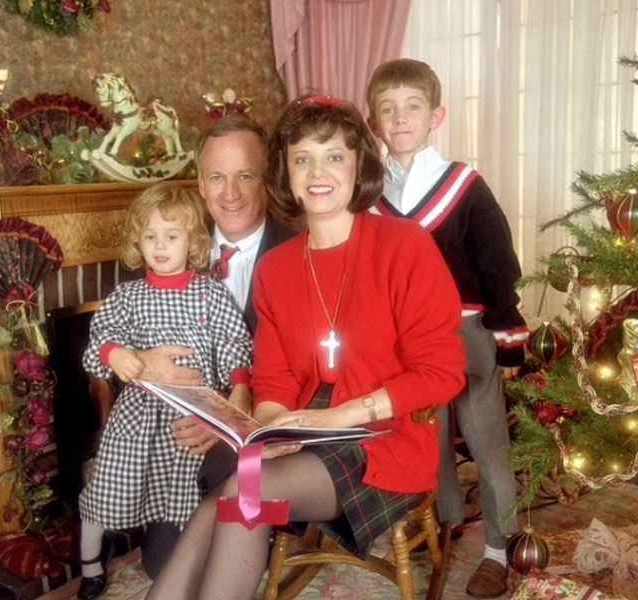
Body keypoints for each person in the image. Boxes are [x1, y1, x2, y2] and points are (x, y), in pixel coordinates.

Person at [145, 95, 465, 600]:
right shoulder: (278, 267)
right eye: (302, 159)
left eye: (334, 156)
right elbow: (274, 380)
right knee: (224, 502)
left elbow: (443, 371)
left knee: (245, 490)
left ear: (358, 165)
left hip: (389, 439)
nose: (318, 172)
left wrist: (336, 418)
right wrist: (272, 427)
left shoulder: (405, 245)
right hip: (307, 431)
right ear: (286, 175)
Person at [366, 58, 528, 598]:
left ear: (436, 116)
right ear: (374, 123)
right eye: (387, 109)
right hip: (405, 342)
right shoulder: (370, 198)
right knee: (424, 443)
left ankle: (499, 549)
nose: (400, 117)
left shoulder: (463, 184)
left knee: (486, 443)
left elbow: (498, 262)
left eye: (412, 106)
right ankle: (444, 524)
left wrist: (505, 329)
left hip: (466, 334)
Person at [77, 184, 253, 600]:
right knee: (107, 488)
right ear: (137, 241)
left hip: (192, 418)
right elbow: (97, 345)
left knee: (187, 494)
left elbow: (235, 345)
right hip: (138, 420)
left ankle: (205, 549)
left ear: (192, 241)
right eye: (150, 236)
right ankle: (90, 567)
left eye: (171, 236)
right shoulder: (128, 295)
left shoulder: (210, 293)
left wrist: (240, 387)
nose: (159, 246)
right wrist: (117, 353)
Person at [139, 115, 294, 578]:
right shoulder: (169, 246)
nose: (231, 193)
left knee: (214, 562)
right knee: (162, 563)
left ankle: (266, 525)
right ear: (200, 186)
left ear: (266, 180)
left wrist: (226, 417)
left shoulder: (299, 252)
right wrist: (143, 362)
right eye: (217, 178)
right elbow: (130, 337)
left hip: (263, 430)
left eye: (246, 175)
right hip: (181, 433)